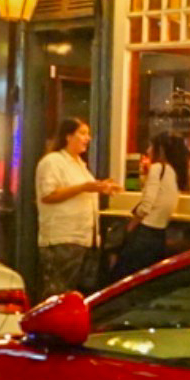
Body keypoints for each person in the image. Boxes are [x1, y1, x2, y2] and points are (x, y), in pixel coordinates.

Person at [34, 116, 119, 297]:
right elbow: (48, 195)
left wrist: (102, 187)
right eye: (82, 133)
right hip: (63, 238)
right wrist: (83, 187)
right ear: (68, 136)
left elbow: (83, 190)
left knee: (78, 295)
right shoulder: (52, 161)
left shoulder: (80, 164)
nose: (88, 138)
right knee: (58, 293)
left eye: (88, 134)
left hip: (85, 240)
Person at [109, 133, 187, 281]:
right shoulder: (174, 172)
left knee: (124, 277)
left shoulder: (157, 168)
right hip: (159, 235)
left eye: (151, 146)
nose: (148, 150)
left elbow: (146, 205)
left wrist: (131, 226)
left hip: (144, 233)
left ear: (160, 150)